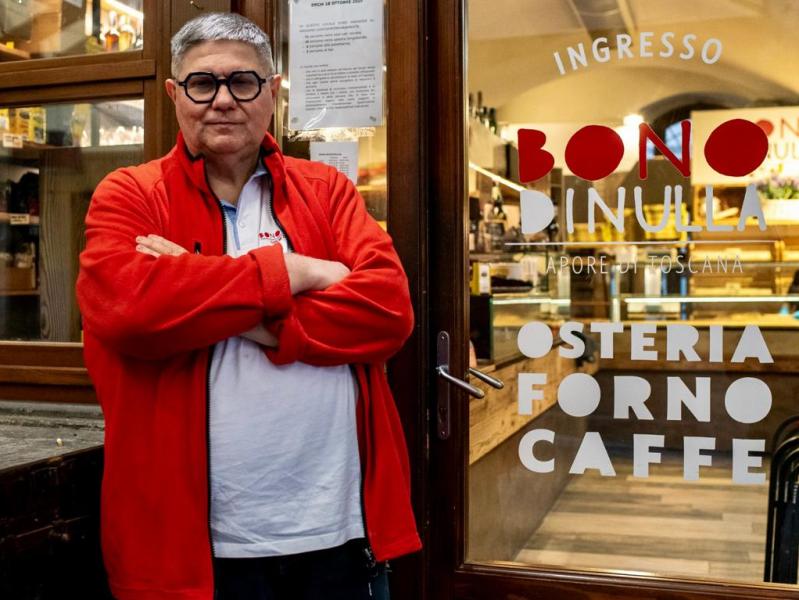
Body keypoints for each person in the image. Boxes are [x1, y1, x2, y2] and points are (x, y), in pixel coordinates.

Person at [76, 12, 420, 600]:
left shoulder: (327, 191)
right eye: (202, 83)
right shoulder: (131, 193)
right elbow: (130, 313)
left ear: (273, 92)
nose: (222, 100)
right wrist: (296, 271)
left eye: (242, 81)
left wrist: (214, 299)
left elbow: (388, 313)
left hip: (336, 530)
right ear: (174, 94)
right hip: (194, 548)